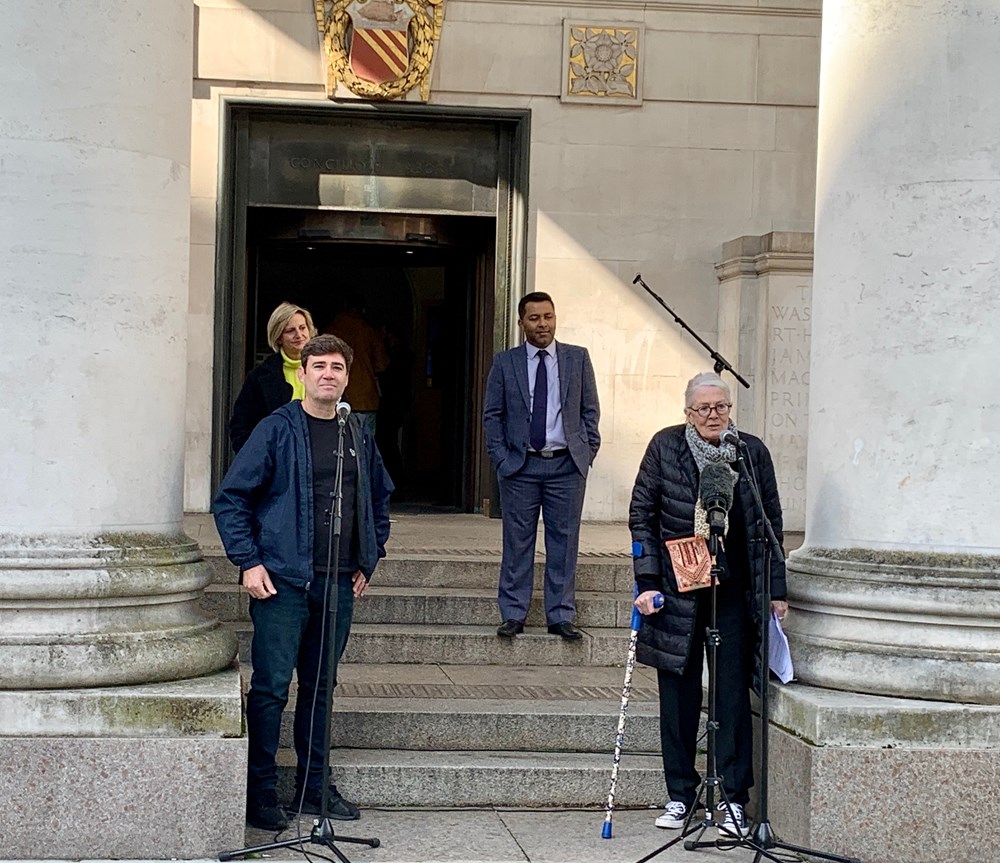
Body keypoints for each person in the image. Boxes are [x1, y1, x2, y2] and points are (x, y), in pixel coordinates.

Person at [213, 334, 394, 832]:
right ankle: (261, 793)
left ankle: (314, 787)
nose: (329, 374)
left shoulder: (355, 433)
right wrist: (248, 562)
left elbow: (379, 502)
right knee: (271, 688)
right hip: (281, 580)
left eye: (338, 366)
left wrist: (368, 557)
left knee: (321, 688)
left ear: (346, 375)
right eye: (320, 366)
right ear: (304, 373)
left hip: (337, 582)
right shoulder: (277, 429)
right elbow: (232, 499)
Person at [629, 371, 788, 839]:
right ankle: (681, 795)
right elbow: (643, 513)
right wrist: (646, 580)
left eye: (721, 406)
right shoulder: (665, 447)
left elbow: (770, 521)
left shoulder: (751, 452)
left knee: (732, 696)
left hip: (734, 591)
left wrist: (775, 589)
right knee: (677, 700)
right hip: (676, 595)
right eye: (704, 408)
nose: (714, 415)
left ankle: (734, 800)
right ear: (688, 413)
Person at [483, 291, 601, 640]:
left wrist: (588, 449)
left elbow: (590, 410)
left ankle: (561, 615)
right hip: (520, 467)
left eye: (548, 316)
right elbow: (493, 415)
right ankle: (513, 613)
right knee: (517, 542)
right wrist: (502, 458)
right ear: (521, 323)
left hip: (566, 466)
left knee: (564, 543)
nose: (542, 324)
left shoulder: (577, 359)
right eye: (534, 318)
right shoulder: (506, 363)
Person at [229, 302, 317, 453]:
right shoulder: (259, 376)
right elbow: (240, 426)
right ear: (278, 338)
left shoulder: (325, 369)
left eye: (303, 328)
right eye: (290, 330)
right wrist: (257, 460)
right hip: (276, 464)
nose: (299, 335)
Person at [324, 294, 389, 440]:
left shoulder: (331, 330)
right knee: (366, 448)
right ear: (363, 310)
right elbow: (382, 364)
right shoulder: (369, 331)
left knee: (337, 445)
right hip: (365, 398)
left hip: (335, 396)